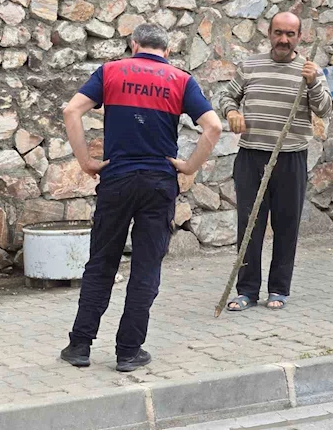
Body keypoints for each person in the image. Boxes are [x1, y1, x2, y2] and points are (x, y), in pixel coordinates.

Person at [60, 23, 223, 372]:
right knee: (146, 268)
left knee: (102, 263)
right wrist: (189, 165)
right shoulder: (181, 80)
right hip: (158, 184)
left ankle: (79, 347)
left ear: (134, 45)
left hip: (116, 180)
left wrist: (86, 161)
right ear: (167, 50)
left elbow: (71, 111)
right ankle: (128, 352)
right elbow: (214, 126)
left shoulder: (110, 71)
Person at [217, 12, 333, 312]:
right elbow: (227, 97)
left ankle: (279, 290)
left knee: (286, 225)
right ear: (268, 33)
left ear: (299, 36)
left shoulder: (309, 70)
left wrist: (313, 84)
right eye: (278, 32)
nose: (283, 39)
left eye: (290, 34)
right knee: (249, 224)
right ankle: (246, 291)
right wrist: (232, 113)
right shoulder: (250, 65)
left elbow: (324, 109)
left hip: (291, 156)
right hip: (252, 155)